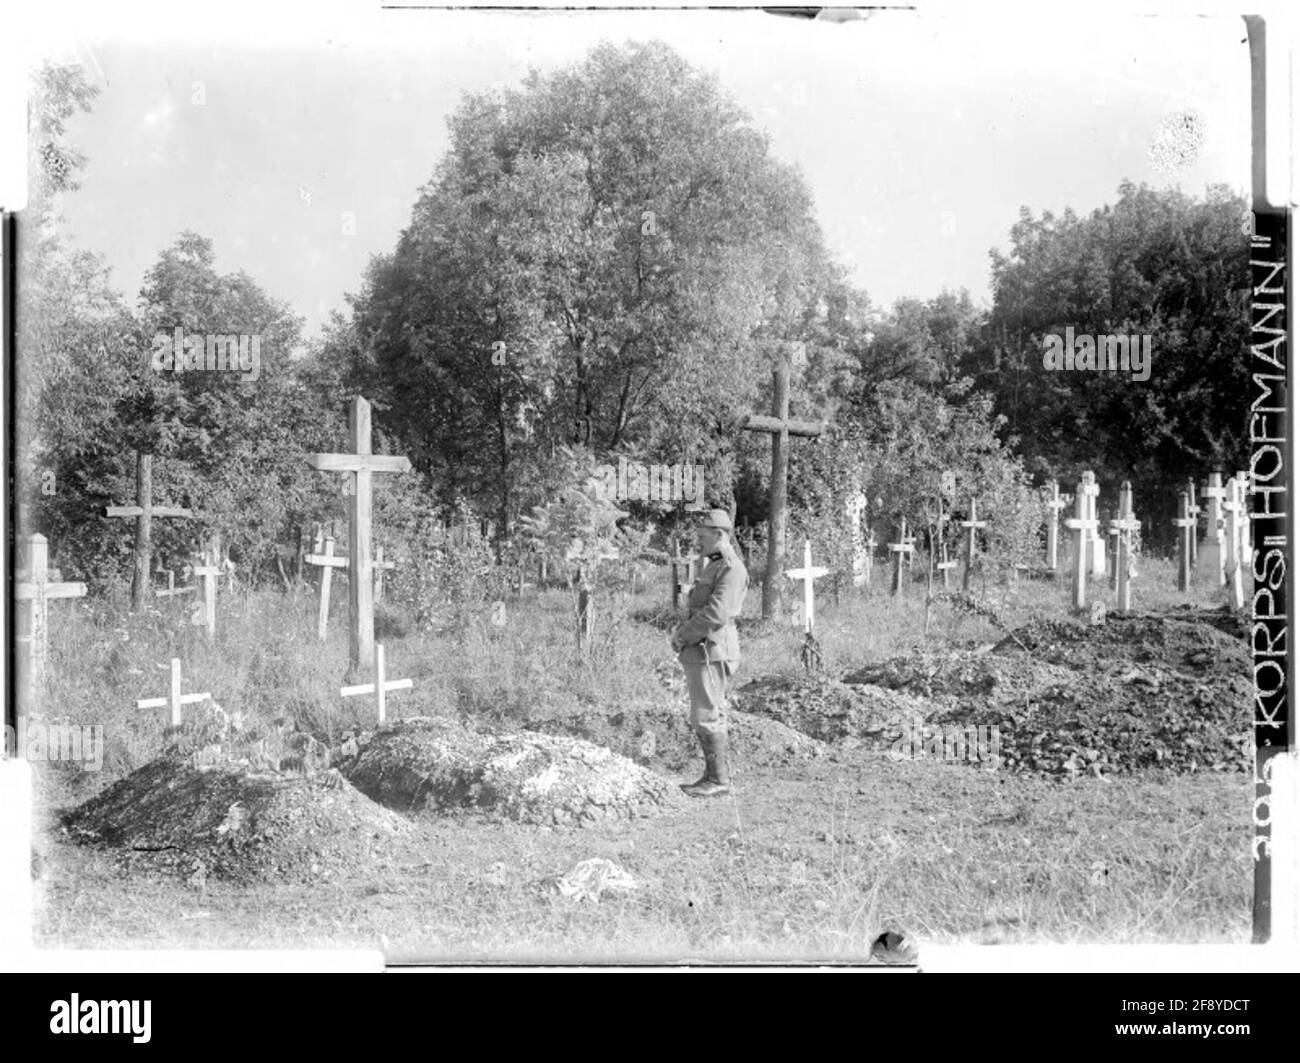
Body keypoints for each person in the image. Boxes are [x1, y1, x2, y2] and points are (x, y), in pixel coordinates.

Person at [670, 508, 749, 797]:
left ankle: (718, 780)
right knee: (708, 713)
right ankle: (713, 775)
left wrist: (682, 635)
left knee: (705, 715)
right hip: (705, 648)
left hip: (711, 649)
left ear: (719, 535)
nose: (698, 542)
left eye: (703, 537)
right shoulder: (715, 565)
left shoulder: (730, 567)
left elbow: (716, 613)